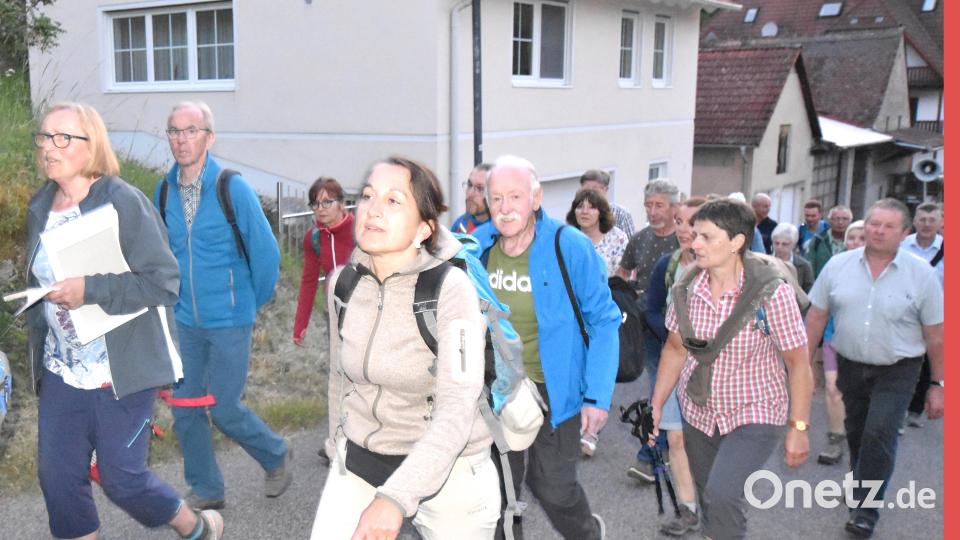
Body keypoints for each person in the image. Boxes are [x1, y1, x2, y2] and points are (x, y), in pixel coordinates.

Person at [26, 102, 223, 539]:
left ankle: (194, 526)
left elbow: (163, 283)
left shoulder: (122, 202)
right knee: (57, 478)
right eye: (44, 137)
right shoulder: (42, 205)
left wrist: (89, 289)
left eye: (63, 138)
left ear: (90, 144)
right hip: (63, 370)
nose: (48, 147)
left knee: (121, 478)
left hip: (122, 370)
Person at [311, 157, 499, 539]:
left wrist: (395, 498)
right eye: (367, 196)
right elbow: (338, 378)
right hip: (362, 458)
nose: (374, 209)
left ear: (423, 229)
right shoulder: (342, 286)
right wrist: (336, 448)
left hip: (451, 468)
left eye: (394, 201)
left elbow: (457, 409)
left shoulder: (451, 290)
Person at [472, 155, 621, 540]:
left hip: (554, 390)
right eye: (496, 198)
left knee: (552, 485)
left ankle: (587, 533)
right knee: (498, 494)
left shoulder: (567, 246)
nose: (505, 208)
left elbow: (604, 321)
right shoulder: (477, 247)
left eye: (515, 197)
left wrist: (597, 396)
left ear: (536, 199)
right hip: (495, 390)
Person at [649, 198, 812, 540]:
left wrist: (798, 426)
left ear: (737, 242)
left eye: (706, 237)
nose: (694, 244)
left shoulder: (772, 294)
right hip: (699, 410)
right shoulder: (686, 290)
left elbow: (798, 364)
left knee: (722, 493)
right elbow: (675, 350)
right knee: (714, 500)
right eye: (695, 235)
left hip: (755, 411)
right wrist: (657, 405)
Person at [155, 101, 290, 510]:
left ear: (209, 137)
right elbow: (159, 256)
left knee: (226, 408)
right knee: (185, 409)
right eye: (175, 131)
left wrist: (246, 301)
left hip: (229, 318)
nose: (181, 139)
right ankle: (207, 488)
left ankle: (276, 453)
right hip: (184, 321)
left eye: (191, 130)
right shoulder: (162, 191)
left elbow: (267, 255)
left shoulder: (232, 188)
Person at [805, 198, 943, 538]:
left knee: (879, 432)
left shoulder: (922, 275)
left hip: (898, 368)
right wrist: (804, 366)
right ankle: (860, 486)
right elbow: (816, 317)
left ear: (904, 233)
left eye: (887, 226)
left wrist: (939, 383)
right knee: (856, 432)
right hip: (851, 365)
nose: (877, 231)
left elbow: (936, 336)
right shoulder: (838, 266)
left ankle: (866, 510)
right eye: (873, 223)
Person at [642, 197, 707, 536]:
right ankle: (688, 509)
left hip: (712, 369)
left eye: (692, 222)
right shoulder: (668, 265)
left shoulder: (724, 266)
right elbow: (650, 307)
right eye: (679, 221)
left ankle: (715, 503)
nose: (684, 229)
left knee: (706, 440)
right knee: (677, 437)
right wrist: (674, 335)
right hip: (670, 359)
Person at [617, 179, 679, 482]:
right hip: (647, 326)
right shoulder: (639, 239)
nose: (652, 212)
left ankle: (662, 450)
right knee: (660, 389)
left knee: (667, 391)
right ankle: (655, 453)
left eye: (659, 205)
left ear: (673, 207)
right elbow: (622, 272)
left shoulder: (684, 242)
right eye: (648, 206)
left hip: (683, 329)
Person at [816, 219, 864, 466]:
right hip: (834, 339)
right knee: (833, 389)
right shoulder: (835, 268)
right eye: (852, 237)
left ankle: (861, 451)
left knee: (861, 400)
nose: (856, 242)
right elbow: (818, 308)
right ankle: (835, 441)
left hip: (868, 346)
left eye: (862, 238)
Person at [292, 176, 354, 345]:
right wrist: (300, 326)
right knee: (337, 367)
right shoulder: (313, 238)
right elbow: (309, 282)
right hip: (334, 312)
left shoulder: (361, 231)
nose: (320, 209)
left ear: (341, 204)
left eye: (327, 202)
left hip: (364, 312)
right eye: (315, 203)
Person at [901, 202, 944, 430]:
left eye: (932, 220)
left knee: (928, 361)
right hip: (904, 313)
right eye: (922, 220)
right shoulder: (902, 246)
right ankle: (900, 404)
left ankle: (915, 408)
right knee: (903, 358)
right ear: (915, 222)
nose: (927, 225)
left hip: (936, 316)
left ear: (941, 223)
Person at [565, 188, 629, 277]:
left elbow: (623, 276)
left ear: (601, 212)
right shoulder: (565, 238)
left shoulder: (618, 238)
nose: (584, 212)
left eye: (591, 207)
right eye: (580, 207)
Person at [579, 169, 636, 236]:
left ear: (605, 190)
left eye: (594, 189)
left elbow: (631, 245)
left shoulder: (621, 214)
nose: (590, 193)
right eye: (586, 190)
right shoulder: (578, 213)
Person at [808, 205, 853, 277]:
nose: (840, 222)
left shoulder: (856, 242)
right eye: (836, 219)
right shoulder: (818, 240)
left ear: (850, 221)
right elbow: (809, 266)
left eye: (845, 219)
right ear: (829, 221)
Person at [771, 222, 814, 292]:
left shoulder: (804, 266)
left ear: (793, 245)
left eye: (784, 244)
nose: (779, 247)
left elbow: (809, 294)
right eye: (776, 243)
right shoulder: (764, 262)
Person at [451, 163, 493, 234]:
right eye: (469, 185)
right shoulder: (460, 225)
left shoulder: (503, 230)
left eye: (480, 189)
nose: (470, 194)